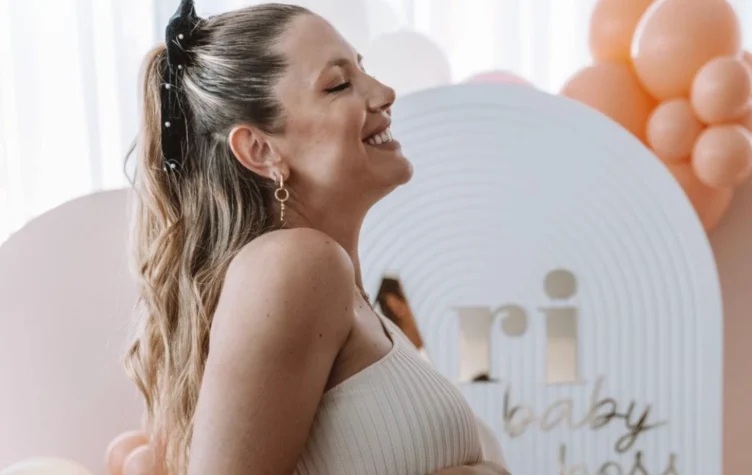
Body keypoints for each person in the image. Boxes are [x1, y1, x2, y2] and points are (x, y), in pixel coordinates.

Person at [124, 1, 510, 474]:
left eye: (363, 70)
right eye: (339, 84)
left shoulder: (335, 285)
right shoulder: (295, 264)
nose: (385, 92)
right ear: (259, 149)